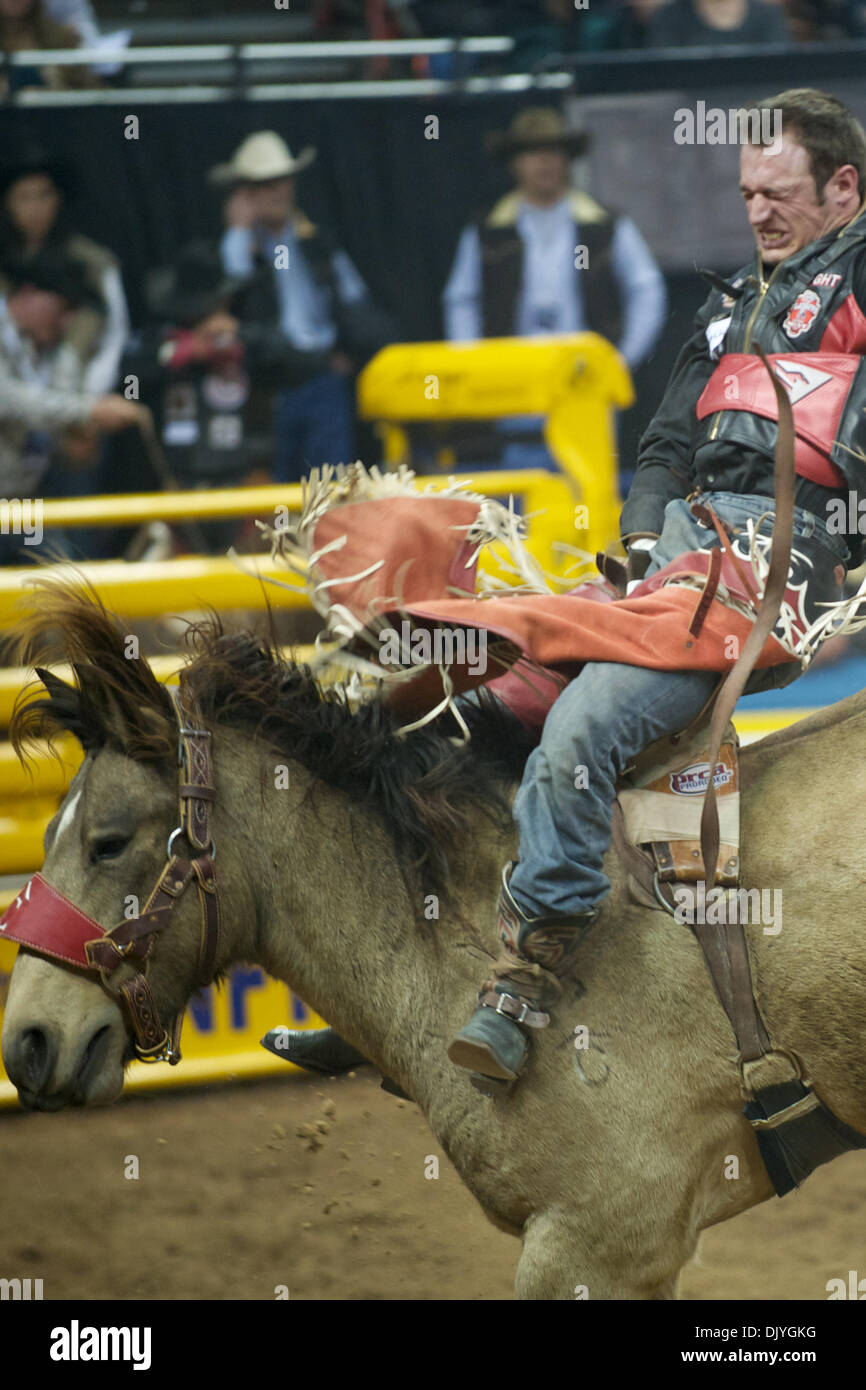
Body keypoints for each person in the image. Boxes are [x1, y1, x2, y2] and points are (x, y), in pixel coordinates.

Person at [279, 88, 866, 1092]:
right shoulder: (726, 306)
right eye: (743, 194)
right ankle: (395, 987)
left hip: (764, 575)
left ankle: (521, 980)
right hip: (672, 570)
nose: (755, 213)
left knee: (580, 734)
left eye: (775, 194)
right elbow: (666, 445)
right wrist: (640, 538)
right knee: (449, 713)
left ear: (844, 188)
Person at [442, 106, 666, 469]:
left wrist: (621, 361)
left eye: (554, 150)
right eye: (532, 151)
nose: (544, 162)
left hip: (584, 381)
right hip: (512, 383)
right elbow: (461, 300)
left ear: (567, 159)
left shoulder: (604, 226)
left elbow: (646, 290)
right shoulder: (488, 231)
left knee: (588, 486)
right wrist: (474, 366)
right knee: (520, 491)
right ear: (515, 162)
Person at [214, 130, 394, 485]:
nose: (278, 191)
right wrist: (237, 230)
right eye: (265, 184)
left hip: (322, 375)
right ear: (245, 194)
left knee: (328, 485)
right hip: (266, 383)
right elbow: (228, 297)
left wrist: (349, 354)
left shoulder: (318, 243)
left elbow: (356, 304)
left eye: (283, 181)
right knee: (275, 485)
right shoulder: (240, 246)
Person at [0, 251, 142, 561]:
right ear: (29, 295)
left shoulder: (38, 346)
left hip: (21, 502)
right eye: (62, 310)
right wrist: (90, 410)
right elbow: (8, 400)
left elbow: (55, 403)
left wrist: (81, 431)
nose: (65, 323)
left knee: (63, 578)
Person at [0, 149, 129, 396]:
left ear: (58, 199)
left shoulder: (93, 261)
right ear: (7, 203)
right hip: (13, 398)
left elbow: (115, 334)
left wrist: (87, 399)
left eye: (43, 195)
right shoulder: (4, 266)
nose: (34, 208)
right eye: (23, 197)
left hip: (77, 390)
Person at [646, 0, 791, 45]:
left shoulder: (767, 14)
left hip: (758, 109)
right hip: (685, 110)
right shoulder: (669, 15)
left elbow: (781, 70)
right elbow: (662, 74)